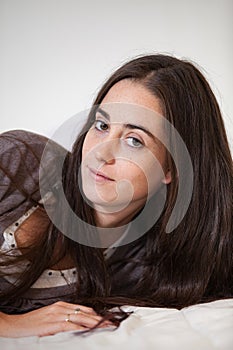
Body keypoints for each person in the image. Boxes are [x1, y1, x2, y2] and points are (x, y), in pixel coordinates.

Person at [0, 54, 232, 338]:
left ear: (172, 168)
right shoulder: (16, 161)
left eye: (134, 140)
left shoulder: (145, 266)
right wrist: (9, 324)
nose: (101, 153)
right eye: (102, 126)